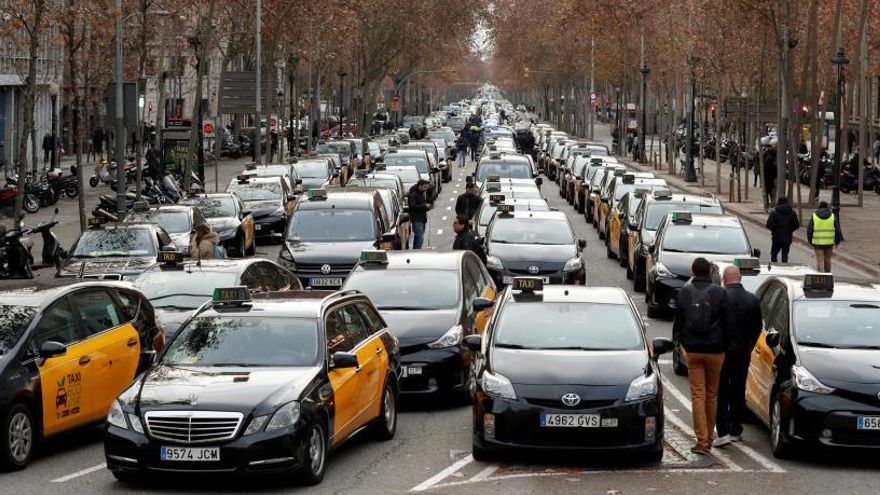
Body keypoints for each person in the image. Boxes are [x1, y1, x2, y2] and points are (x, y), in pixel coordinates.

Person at [672, 257, 730, 455]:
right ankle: (710, 437)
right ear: (710, 273)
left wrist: (680, 343)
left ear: (693, 271)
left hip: (694, 349)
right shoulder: (721, 293)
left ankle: (702, 439)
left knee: (698, 394)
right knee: (712, 395)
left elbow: (678, 321)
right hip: (716, 350)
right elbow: (728, 323)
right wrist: (726, 345)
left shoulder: (685, 292)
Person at [714, 266, 763, 447]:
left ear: (725, 278)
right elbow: (757, 327)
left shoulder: (720, 297)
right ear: (739, 278)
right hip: (743, 353)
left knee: (721, 392)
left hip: (723, 352)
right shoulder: (752, 300)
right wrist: (749, 346)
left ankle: (723, 431)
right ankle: (736, 429)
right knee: (738, 390)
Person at [807, 201, 843, 272]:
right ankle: (828, 275)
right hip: (829, 242)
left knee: (820, 260)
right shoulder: (832, 216)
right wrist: (837, 241)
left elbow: (809, 230)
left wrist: (810, 241)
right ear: (827, 207)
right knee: (828, 259)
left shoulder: (814, 216)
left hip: (817, 242)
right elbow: (838, 230)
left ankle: (820, 276)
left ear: (819, 207)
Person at [765, 196, 800, 263]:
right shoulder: (792, 212)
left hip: (776, 237)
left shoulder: (774, 212)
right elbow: (796, 225)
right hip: (787, 237)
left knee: (774, 254)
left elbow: (769, 224)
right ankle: (784, 268)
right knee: (785, 255)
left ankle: (774, 267)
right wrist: (790, 230)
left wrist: (774, 230)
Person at [406, 180, 432, 249]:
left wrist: (428, 207)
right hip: (416, 219)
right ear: (420, 186)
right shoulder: (413, 195)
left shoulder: (422, 195)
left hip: (422, 219)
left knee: (418, 237)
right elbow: (412, 207)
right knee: (420, 238)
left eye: (426, 187)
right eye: (424, 187)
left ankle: (416, 250)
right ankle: (417, 251)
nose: (425, 189)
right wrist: (424, 206)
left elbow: (423, 206)